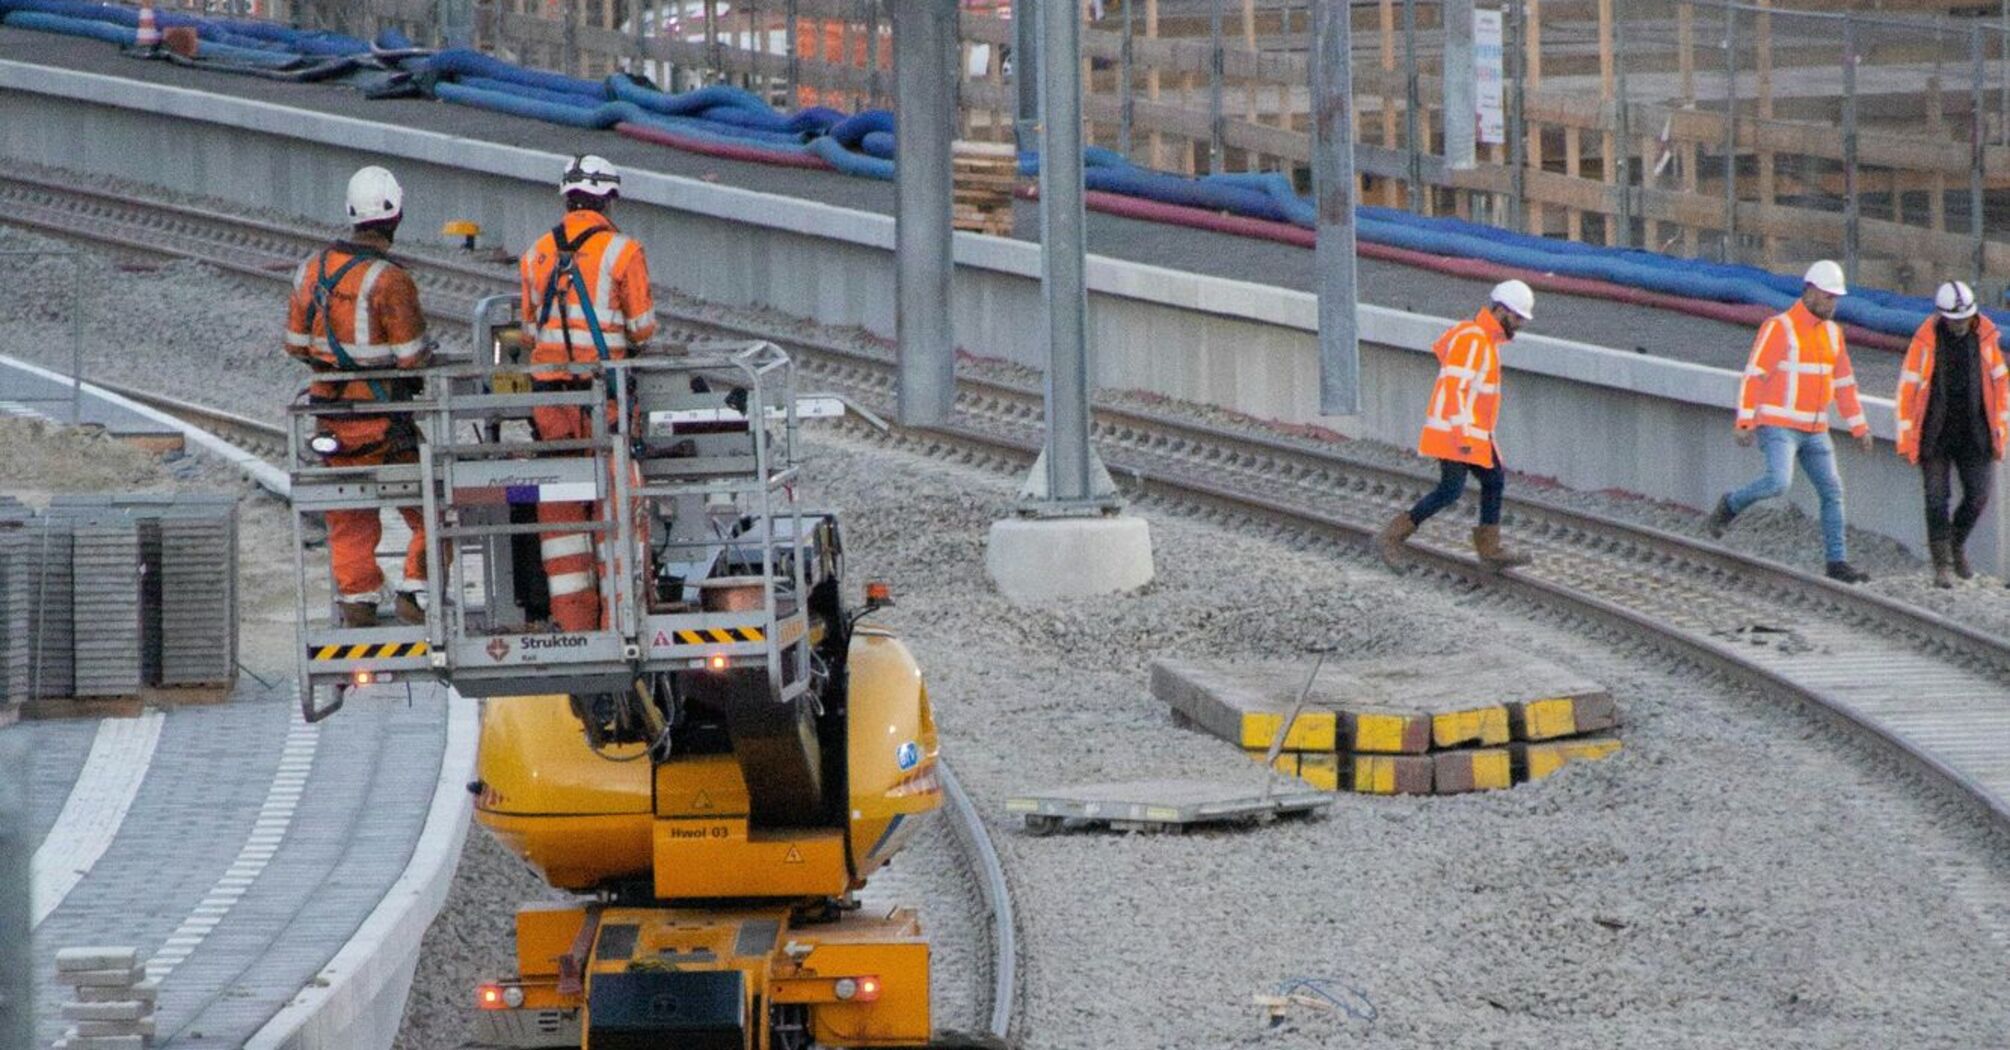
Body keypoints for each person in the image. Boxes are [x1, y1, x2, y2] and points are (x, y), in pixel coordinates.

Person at [285, 166, 433, 628]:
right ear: (396, 216)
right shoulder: (390, 279)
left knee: (348, 513)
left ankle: (358, 602)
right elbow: (411, 357)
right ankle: (416, 591)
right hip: (386, 420)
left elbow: (295, 344)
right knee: (433, 504)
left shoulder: (311, 270)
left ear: (351, 214)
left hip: (331, 416)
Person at [518, 155, 658, 632]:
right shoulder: (623, 252)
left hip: (551, 406)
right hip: (605, 400)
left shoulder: (535, 253)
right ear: (608, 199)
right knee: (618, 509)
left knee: (562, 524)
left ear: (567, 197)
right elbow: (642, 329)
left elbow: (527, 329)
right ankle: (620, 623)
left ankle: (573, 628)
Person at [1708, 260, 1873, 583]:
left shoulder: (1833, 334)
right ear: (1810, 292)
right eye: (1827, 297)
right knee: (1778, 482)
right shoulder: (1779, 327)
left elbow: (1844, 386)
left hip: (1815, 430)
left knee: (1832, 491)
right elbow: (1755, 376)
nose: (1832, 304)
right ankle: (1729, 505)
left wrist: (1860, 427)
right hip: (1778, 424)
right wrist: (1745, 421)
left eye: (1835, 298)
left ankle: (1836, 562)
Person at [1376, 280, 1535, 572]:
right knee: (1450, 491)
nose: (1520, 324)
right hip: (1456, 434)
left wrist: (1482, 438)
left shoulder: (1484, 341)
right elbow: (1454, 389)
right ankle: (1392, 535)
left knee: (1494, 479)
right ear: (1500, 310)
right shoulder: (1473, 340)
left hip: (1472, 434)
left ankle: (1490, 549)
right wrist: (1464, 436)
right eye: (1517, 318)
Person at [1894, 280, 2007, 588]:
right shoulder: (1925, 341)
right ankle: (1942, 565)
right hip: (1935, 434)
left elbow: (2000, 384)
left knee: (1978, 496)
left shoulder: (1985, 336)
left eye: (1964, 319)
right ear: (1942, 317)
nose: (1960, 325)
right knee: (1935, 499)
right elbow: (1907, 390)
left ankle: (1956, 544)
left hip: (1975, 434)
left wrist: (2000, 431)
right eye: (1955, 320)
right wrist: (1906, 439)